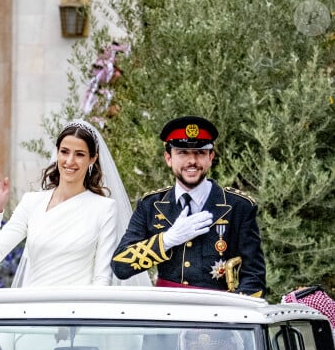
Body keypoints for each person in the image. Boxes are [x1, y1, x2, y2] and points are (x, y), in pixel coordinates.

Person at [0, 120, 150, 288]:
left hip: (76, 310)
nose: (70, 161)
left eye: (79, 154)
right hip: (32, 308)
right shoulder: (31, 202)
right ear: (57, 153)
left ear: (93, 159)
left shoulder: (105, 208)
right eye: (65, 152)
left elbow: (102, 278)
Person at [111, 116, 266, 297]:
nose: (192, 160)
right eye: (183, 152)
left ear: (211, 157)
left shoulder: (238, 206)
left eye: (200, 153)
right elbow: (120, 266)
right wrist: (167, 240)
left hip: (217, 314)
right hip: (167, 311)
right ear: (168, 158)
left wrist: (233, 317)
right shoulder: (151, 205)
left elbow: (254, 278)